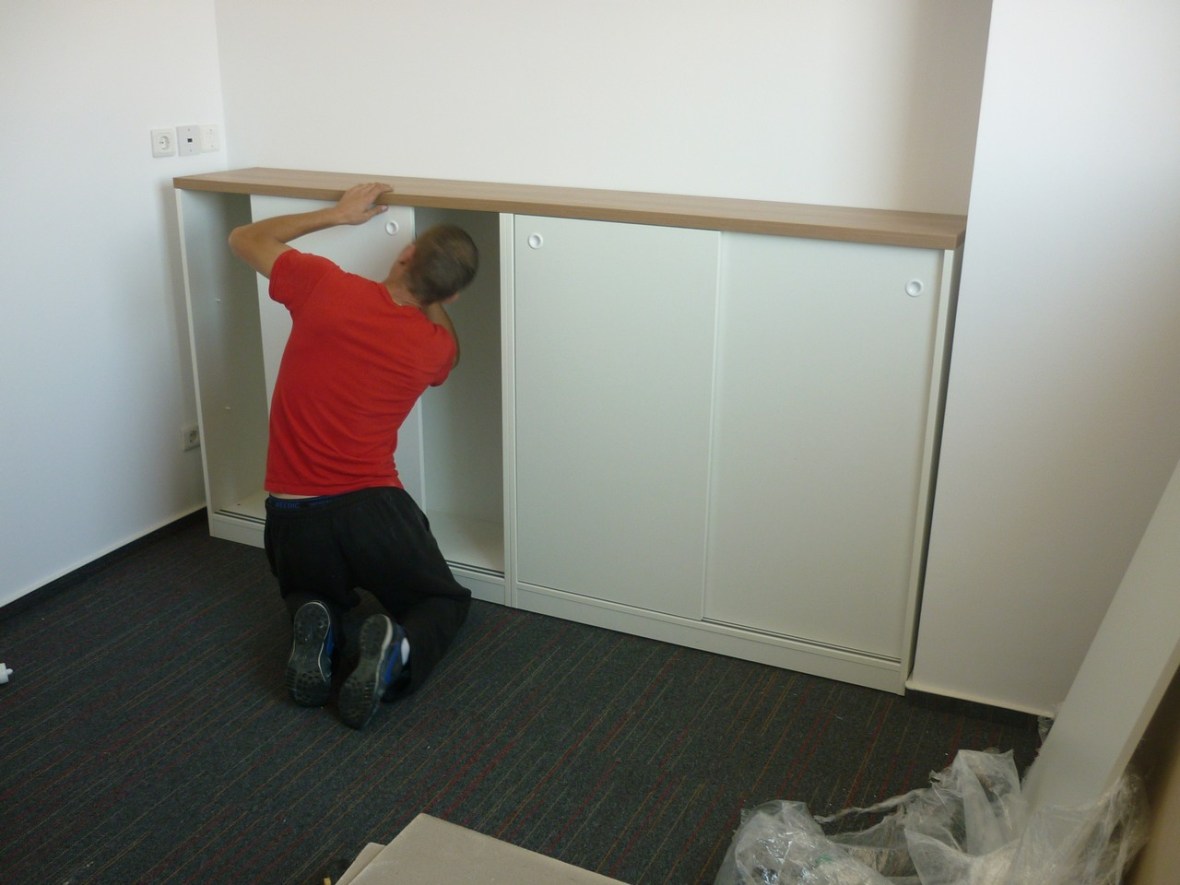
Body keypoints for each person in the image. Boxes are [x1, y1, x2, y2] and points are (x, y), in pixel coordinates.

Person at [227, 182, 478, 730]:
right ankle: (395, 653)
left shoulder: (323, 286)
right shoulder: (433, 349)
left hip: (292, 517)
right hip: (373, 513)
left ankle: (316, 616)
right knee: (441, 602)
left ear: (405, 255)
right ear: (453, 296)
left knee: (309, 588)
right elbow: (452, 351)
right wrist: (436, 296)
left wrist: (339, 214)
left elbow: (244, 237)